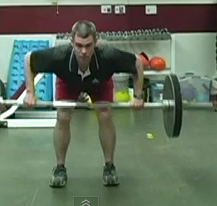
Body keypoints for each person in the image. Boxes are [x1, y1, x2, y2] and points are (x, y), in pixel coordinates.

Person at [23, 20, 145, 188]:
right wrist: (30, 93)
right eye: (79, 45)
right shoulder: (59, 56)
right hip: (68, 81)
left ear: (96, 41)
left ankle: (109, 166)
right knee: (63, 115)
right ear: (71, 41)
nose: (83, 51)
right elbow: (29, 60)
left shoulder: (108, 55)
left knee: (104, 114)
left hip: (99, 82)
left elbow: (137, 63)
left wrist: (138, 95)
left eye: (88, 46)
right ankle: (60, 168)